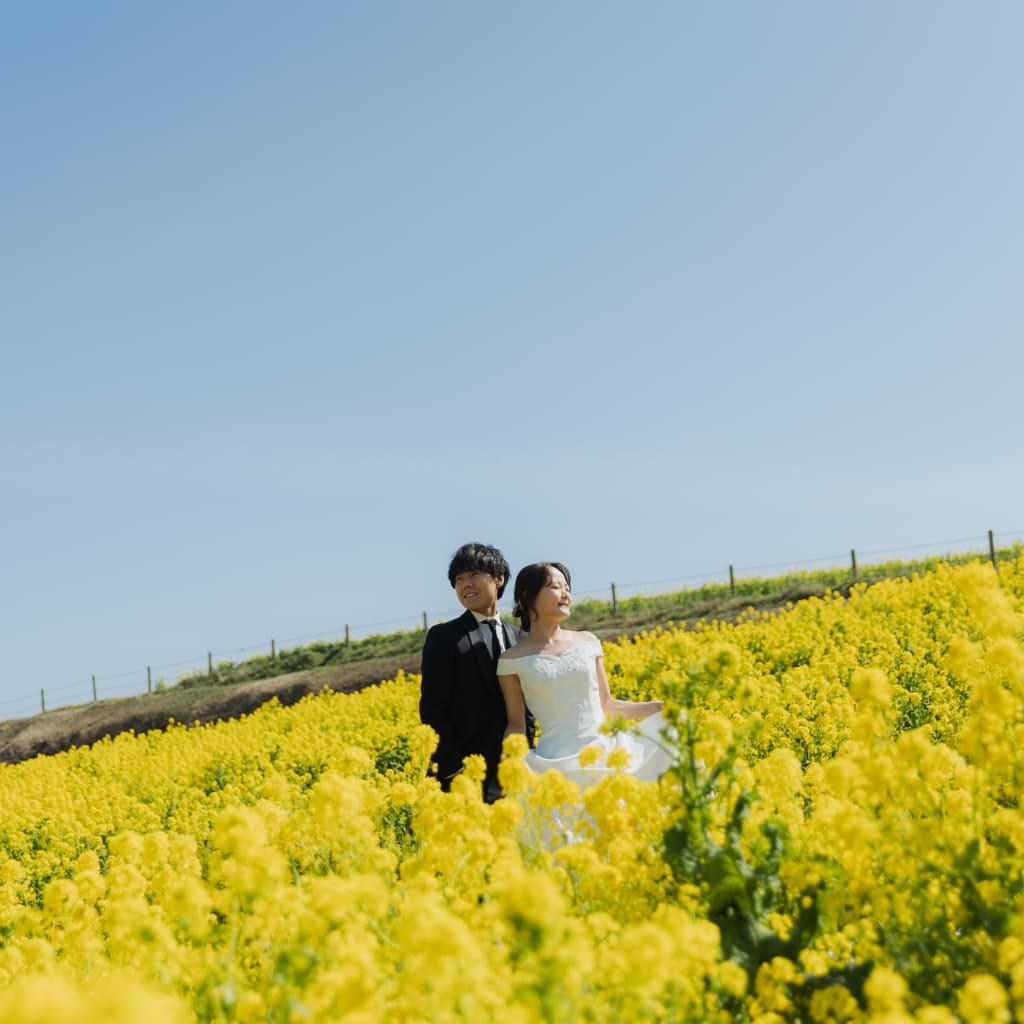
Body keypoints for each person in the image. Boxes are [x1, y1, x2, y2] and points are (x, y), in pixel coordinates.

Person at [497, 561, 670, 789]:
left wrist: (661, 707)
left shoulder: (587, 641)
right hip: (555, 765)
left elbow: (607, 705)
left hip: (607, 753)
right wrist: (509, 767)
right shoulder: (511, 660)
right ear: (527, 596)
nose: (565, 594)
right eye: (555, 586)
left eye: (567, 588)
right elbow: (516, 725)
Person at [419, 542, 534, 802]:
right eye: (459, 579)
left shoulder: (520, 636)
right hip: (467, 777)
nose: (465, 584)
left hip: (517, 771)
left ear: (499, 578)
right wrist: (454, 770)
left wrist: (529, 753)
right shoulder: (444, 637)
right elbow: (433, 709)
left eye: (474, 574)